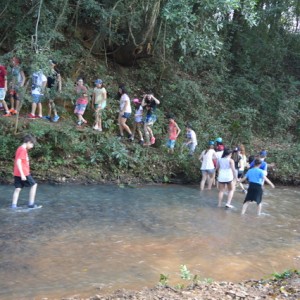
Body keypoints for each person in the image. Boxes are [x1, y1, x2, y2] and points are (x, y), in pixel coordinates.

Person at [11, 134, 39, 209]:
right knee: (34, 185)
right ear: (28, 142)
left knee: (18, 189)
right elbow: (18, 162)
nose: (32, 146)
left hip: (17, 173)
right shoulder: (23, 150)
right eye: (32, 144)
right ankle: (31, 204)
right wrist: (22, 174)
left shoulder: (19, 148)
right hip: (24, 173)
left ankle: (13, 206)